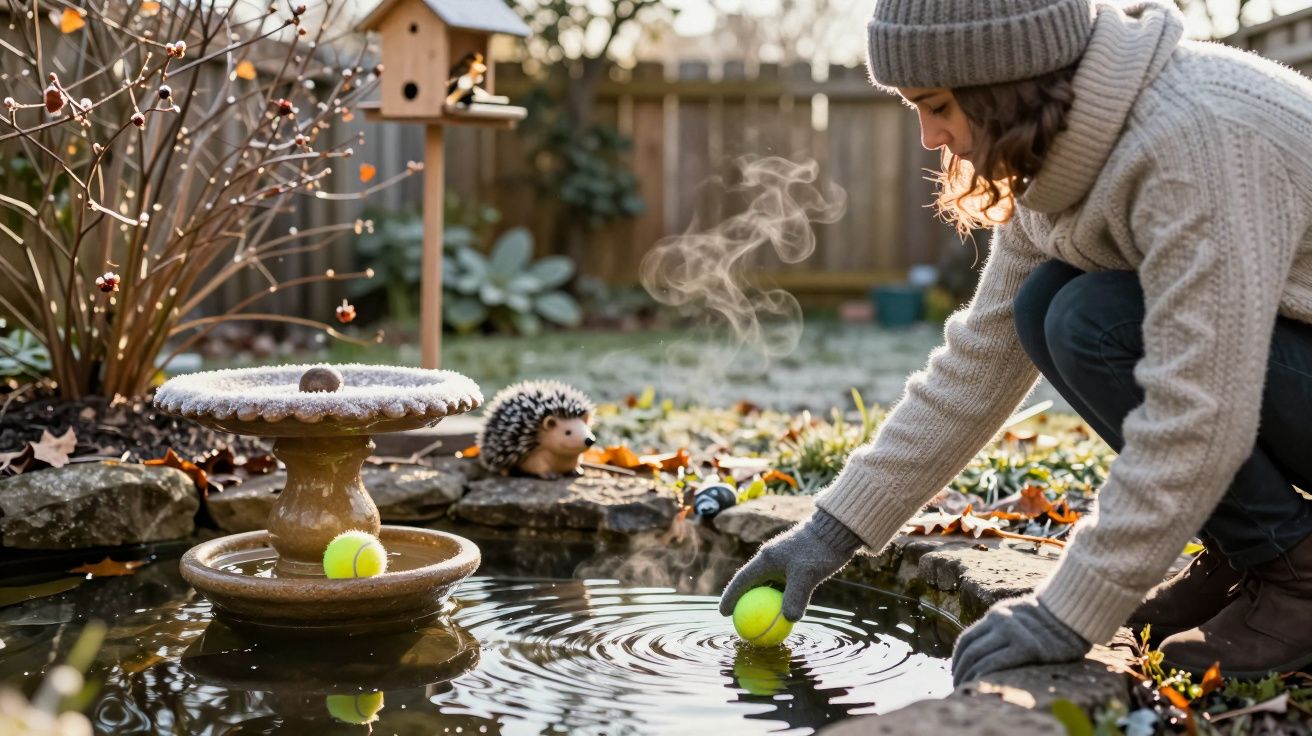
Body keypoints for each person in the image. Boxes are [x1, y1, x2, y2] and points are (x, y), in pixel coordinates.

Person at [720, 0, 1312, 683]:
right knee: (1041, 307)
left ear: (1005, 81)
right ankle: (1250, 551)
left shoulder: (1196, 138)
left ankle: (1298, 578)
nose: (928, 137)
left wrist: (1065, 614)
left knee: (1089, 318)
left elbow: (1201, 411)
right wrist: (829, 534)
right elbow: (980, 360)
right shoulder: (1070, 153)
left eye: (937, 106)